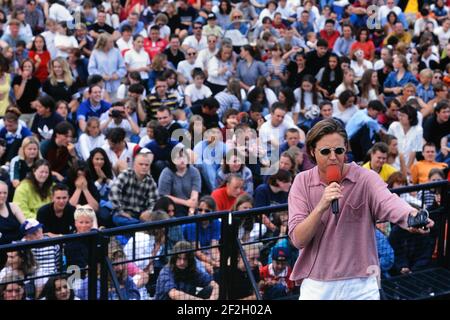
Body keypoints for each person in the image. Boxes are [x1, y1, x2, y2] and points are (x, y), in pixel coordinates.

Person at [288, 119, 434, 300]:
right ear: (312, 151)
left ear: (346, 149)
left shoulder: (365, 178)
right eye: (325, 151)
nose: (333, 157)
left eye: (339, 150)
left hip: (361, 282)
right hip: (318, 283)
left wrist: (411, 216)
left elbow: (388, 202)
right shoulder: (302, 182)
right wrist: (321, 207)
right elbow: (298, 239)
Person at [154, 241, 219, 300]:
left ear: (190, 260)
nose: (182, 262)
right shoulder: (166, 271)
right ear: (174, 258)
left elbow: (215, 284)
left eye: (185, 259)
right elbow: (173, 294)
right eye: (179, 258)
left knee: (210, 290)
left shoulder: (193, 270)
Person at [109, 152, 159, 226]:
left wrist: (149, 212)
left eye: (146, 165)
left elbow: (154, 201)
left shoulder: (150, 181)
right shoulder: (126, 174)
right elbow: (114, 192)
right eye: (141, 164)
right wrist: (121, 211)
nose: (144, 167)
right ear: (134, 165)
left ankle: (139, 226)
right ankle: (140, 226)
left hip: (140, 215)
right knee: (119, 219)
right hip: (123, 214)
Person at [182, 196, 221, 274]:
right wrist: (212, 263)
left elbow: (214, 247)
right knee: (206, 268)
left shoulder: (216, 222)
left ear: (213, 211)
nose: (203, 213)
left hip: (205, 250)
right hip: (189, 251)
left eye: (207, 211)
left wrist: (217, 260)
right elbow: (197, 252)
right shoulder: (191, 224)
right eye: (200, 210)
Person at [158, 147, 201, 217]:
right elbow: (164, 195)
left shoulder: (194, 172)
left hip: (191, 206)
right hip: (172, 207)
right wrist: (186, 203)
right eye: (179, 158)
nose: (182, 160)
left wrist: (191, 211)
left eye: (184, 157)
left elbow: (194, 196)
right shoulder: (166, 172)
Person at [0, 180, 26, 245]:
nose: (3, 195)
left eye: (5, 193)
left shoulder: (13, 206)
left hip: (19, 247)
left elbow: (26, 225)